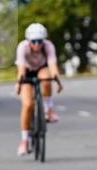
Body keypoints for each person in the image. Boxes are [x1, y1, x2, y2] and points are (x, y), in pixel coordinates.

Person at [14, 23, 63, 156]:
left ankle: (48, 109)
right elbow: (21, 69)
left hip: (41, 69)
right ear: (29, 41)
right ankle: (24, 141)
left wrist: (57, 81)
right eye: (34, 41)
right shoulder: (22, 47)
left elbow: (52, 65)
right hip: (27, 72)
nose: (37, 44)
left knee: (47, 79)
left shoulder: (48, 46)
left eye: (40, 41)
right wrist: (19, 83)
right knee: (28, 104)